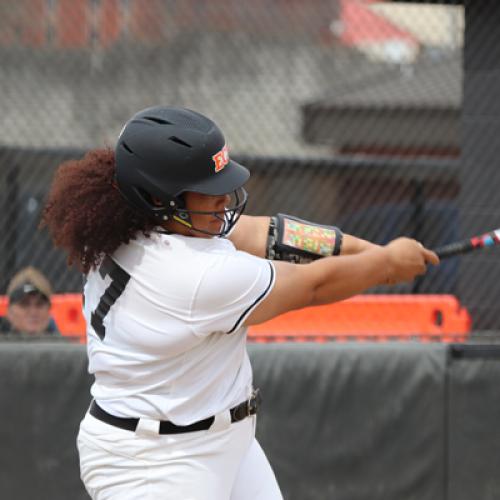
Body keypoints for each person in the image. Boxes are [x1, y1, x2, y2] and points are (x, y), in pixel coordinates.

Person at [41, 105, 439, 500]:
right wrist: (385, 265)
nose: (223, 198)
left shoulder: (136, 224)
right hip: (154, 463)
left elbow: (270, 234)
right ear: (157, 197)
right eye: (207, 190)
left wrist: (373, 252)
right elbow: (312, 286)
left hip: (222, 439)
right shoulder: (193, 274)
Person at [0, 266, 60, 336]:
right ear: (9, 312)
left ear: (49, 311)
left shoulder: (64, 345)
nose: (33, 312)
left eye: (39, 305)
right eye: (24, 305)